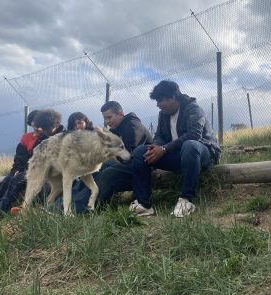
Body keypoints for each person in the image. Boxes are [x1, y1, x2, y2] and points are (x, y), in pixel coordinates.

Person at [130, 80, 221, 217]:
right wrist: (155, 147)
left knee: (189, 145)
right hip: (179, 155)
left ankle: (186, 200)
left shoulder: (194, 109)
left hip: (202, 154)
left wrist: (164, 149)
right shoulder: (163, 114)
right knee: (139, 153)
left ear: (172, 97)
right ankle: (143, 204)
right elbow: (160, 135)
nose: (158, 105)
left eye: (160, 100)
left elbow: (194, 135)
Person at [71, 101, 152, 212]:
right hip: (126, 164)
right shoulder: (118, 128)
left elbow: (132, 156)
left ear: (120, 114)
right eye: (105, 119)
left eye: (109, 117)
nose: (107, 122)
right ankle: (67, 202)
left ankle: (83, 208)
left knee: (106, 173)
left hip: (141, 167)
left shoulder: (132, 126)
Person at [0, 109, 63, 217]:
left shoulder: (61, 136)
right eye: (35, 124)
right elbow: (29, 158)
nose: (39, 129)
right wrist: (18, 169)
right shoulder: (35, 137)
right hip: (31, 168)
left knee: (22, 178)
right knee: (10, 178)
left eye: (42, 127)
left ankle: (3, 209)